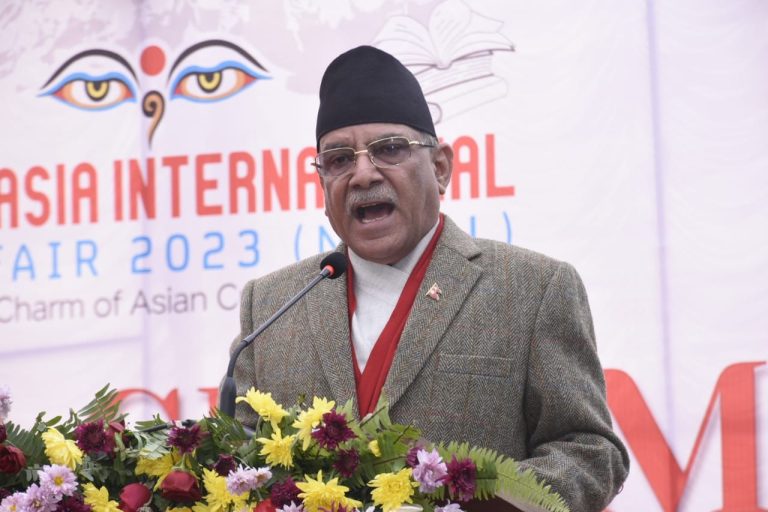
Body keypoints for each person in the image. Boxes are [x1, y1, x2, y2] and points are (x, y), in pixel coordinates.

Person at [226, 45, 629, 511]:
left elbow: (590, 452)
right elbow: (239, 460)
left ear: (440, 168)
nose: (362, 175)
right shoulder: (272, 304)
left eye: (389, 149)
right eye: (338, 159)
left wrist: (478, 495)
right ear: (322, 182)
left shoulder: (532, 288)